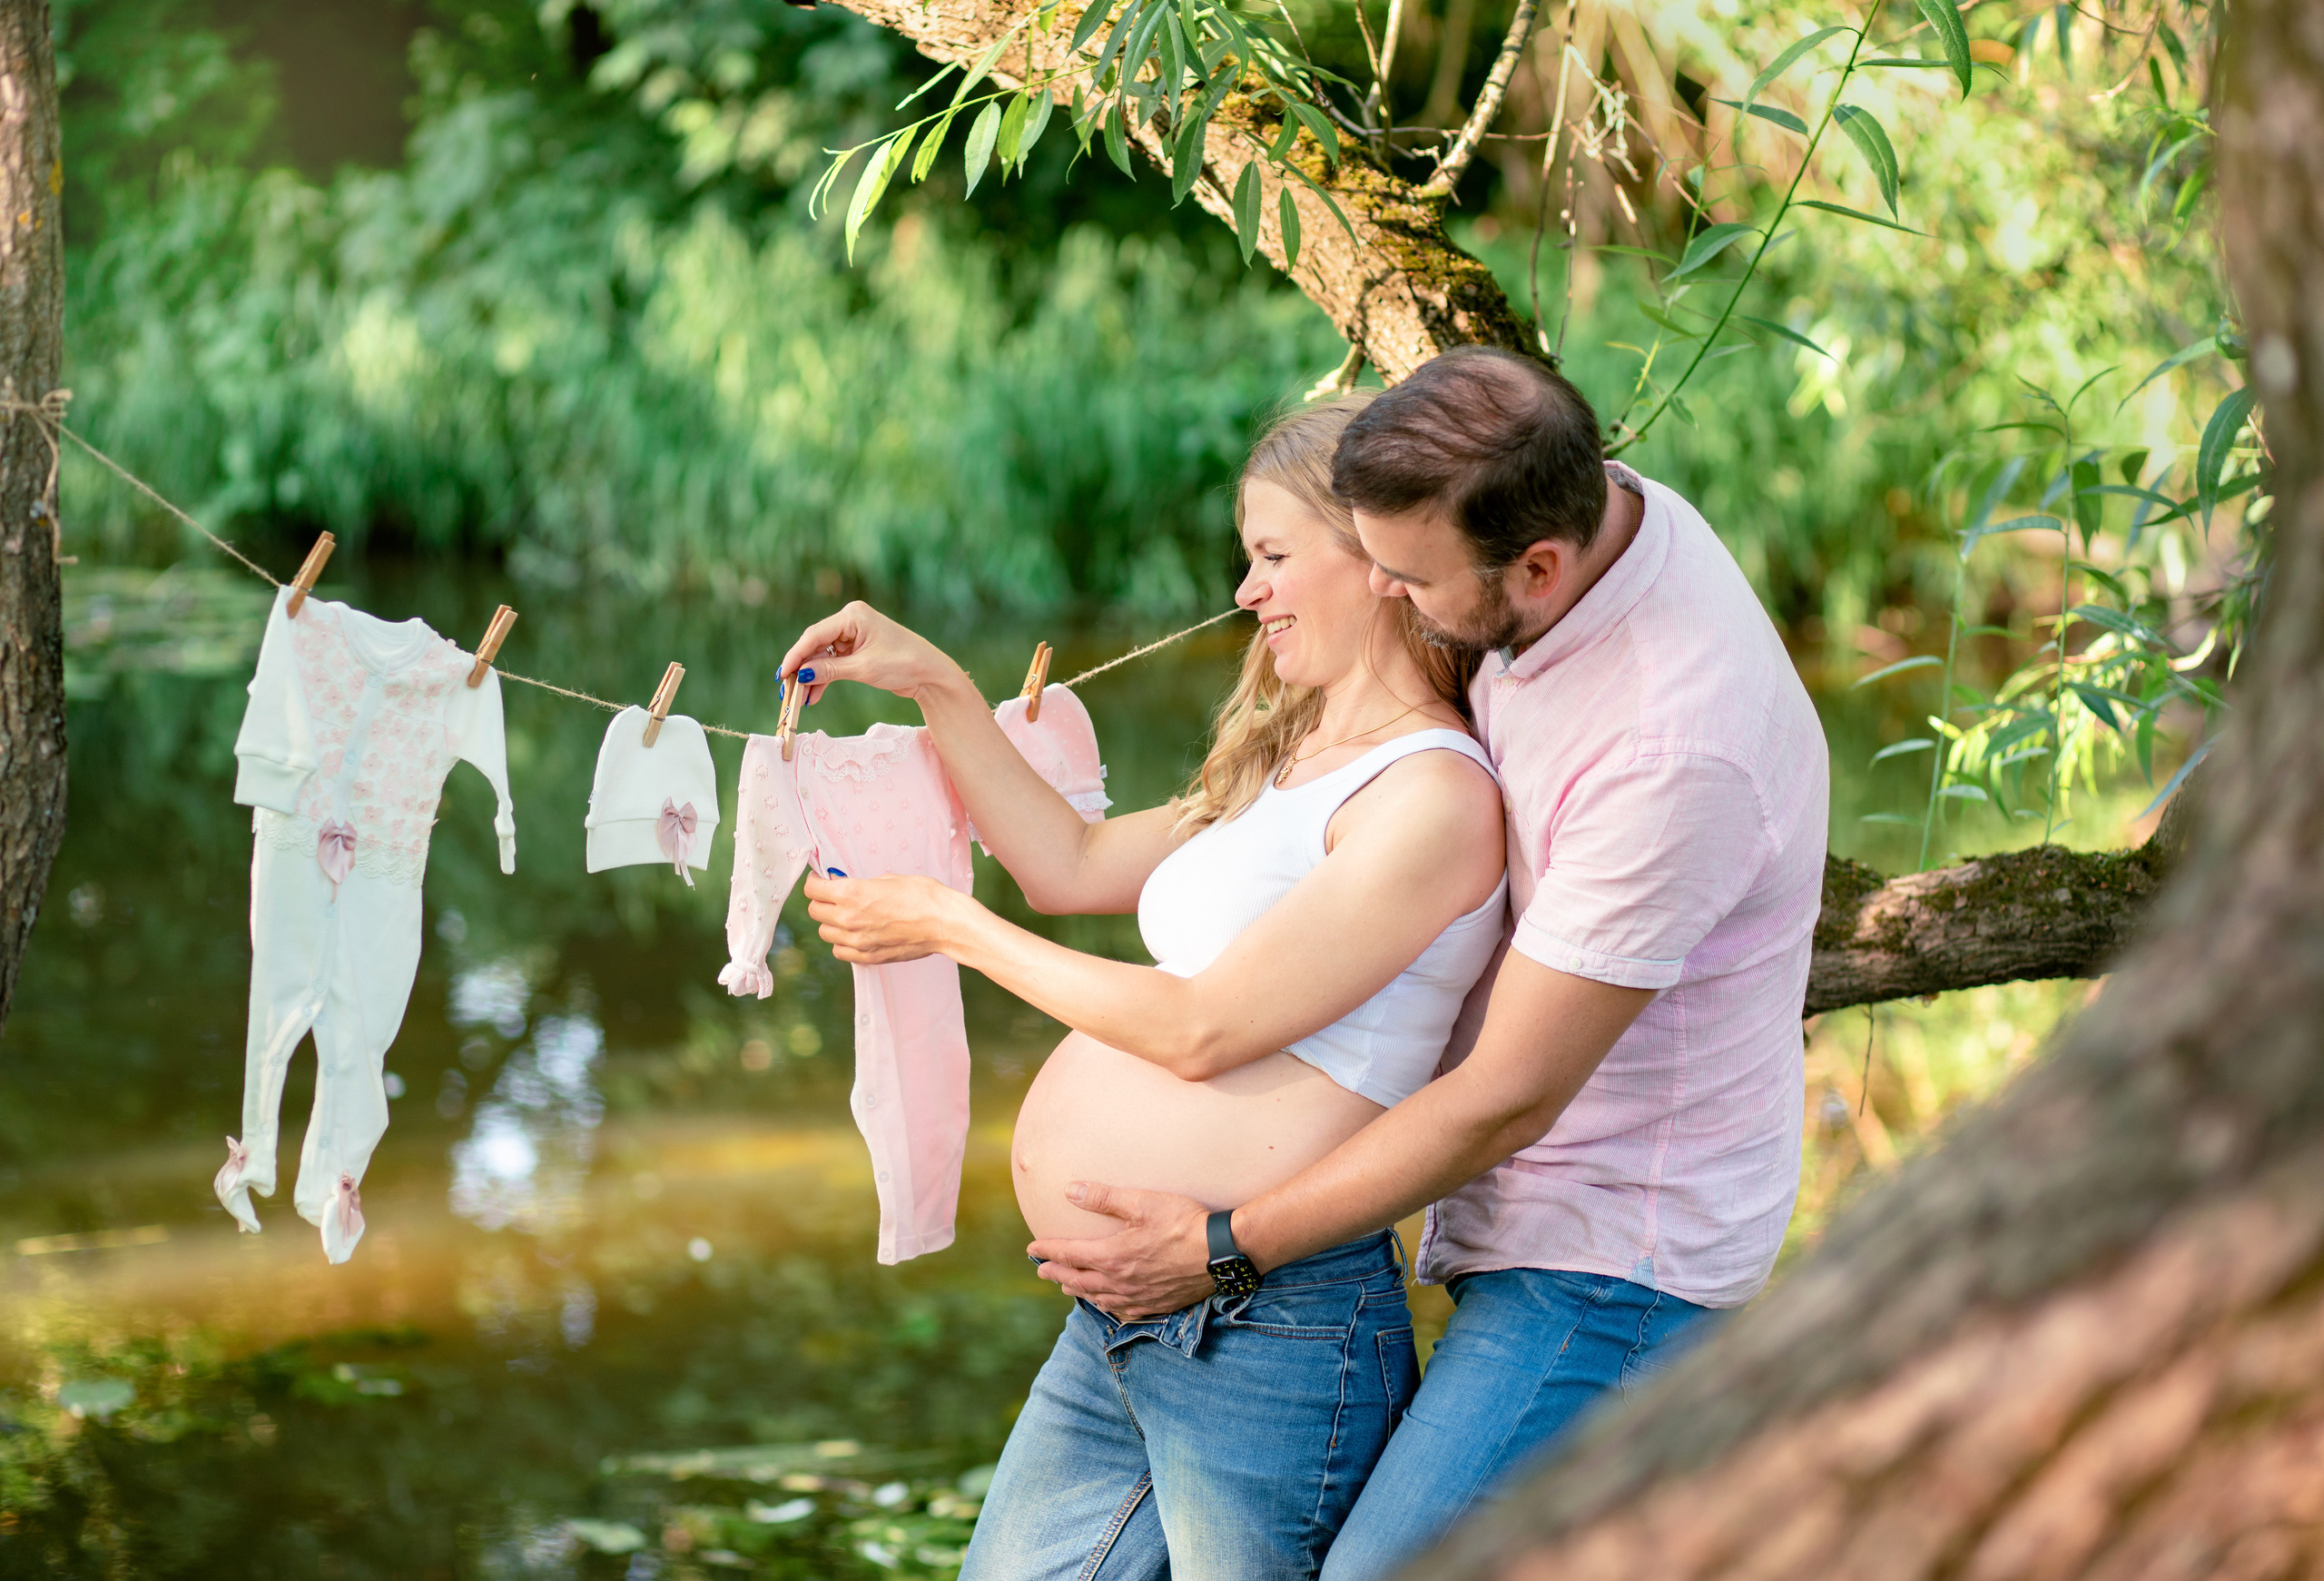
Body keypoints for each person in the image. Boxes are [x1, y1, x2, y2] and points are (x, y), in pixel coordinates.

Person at [1021, 347, 1832, 1580]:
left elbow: (1510, 1093)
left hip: (1612, 1257)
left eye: (1407, 578)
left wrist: (1224, 1240)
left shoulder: (1673, 745)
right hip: (1488, 1206)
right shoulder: (1574, 513)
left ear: (1536, 569)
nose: (1389, 596)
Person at [777, 396, 1511, 1581]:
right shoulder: (1287, 757)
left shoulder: (1431, 800)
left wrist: (946, 924)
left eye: (1273, 556)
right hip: (1124, 1305)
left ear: (1381, 557)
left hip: (1270, 1320)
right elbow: (1064, 866)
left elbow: (1199, 1025)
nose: (1247, 590)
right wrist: (936, 685)